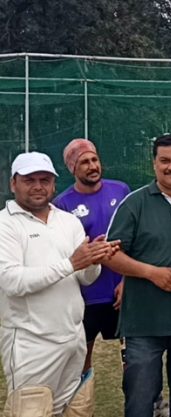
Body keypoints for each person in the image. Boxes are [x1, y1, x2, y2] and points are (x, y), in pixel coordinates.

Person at [0, 152, 117, 416]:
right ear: (13, 184)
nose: (38, 186)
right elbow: (11, 281)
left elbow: (84, 278)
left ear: (54, 184)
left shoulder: (68, 220)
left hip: (73, 339)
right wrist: (72, 263)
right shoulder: (5, 225)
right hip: (31, 345)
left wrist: (93, 260)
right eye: (29, 180)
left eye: (45, 179)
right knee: (31, 410)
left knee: (75, 410)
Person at [105, 135, 171, 417]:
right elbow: (110, 253)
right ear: (154, 163)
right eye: (165, 160)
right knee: (140, 402)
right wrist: (151, 273)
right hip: (143, 326)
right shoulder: (134, 204)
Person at [53, 139, 130, 392]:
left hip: (123, 291)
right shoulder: (63, 204)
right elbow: (65, 254)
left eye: (94, 159)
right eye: (84, 162)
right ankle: (79, 404)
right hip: (86, 298)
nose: (92, 166)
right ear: (73, 168)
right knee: (80, 359)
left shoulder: (120, 190)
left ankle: (150, 403)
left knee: (135, 357)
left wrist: (126, 280)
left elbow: (135, 239)